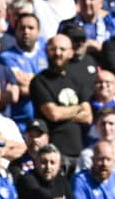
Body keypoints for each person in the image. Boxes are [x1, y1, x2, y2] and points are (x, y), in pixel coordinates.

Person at [30, 34, 93, 177]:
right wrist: (77, 108)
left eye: (62, 49)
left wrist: (63, 113)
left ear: (71, 52)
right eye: (53, 49)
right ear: (46, 51)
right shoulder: (39, 81)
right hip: (53, 154)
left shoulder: (77, 79)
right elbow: (53, 114)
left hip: (78, 152)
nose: (58, 53)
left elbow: (88, 116)